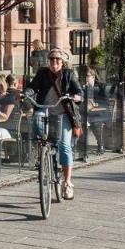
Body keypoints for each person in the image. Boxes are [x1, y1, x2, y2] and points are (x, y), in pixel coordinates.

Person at [26, 49, 83, 199]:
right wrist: (26, 93)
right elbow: (33, 87)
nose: (54, 62)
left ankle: (67, 183)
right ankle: (42, 151)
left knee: (64, 146)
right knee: (37, 122)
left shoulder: (69, 74)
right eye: (51, 59)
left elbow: (79, 91)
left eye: (57, 59)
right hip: (44, 110)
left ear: (62, 62)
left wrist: (75, 96)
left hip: (63, 113)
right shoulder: (43, 73)